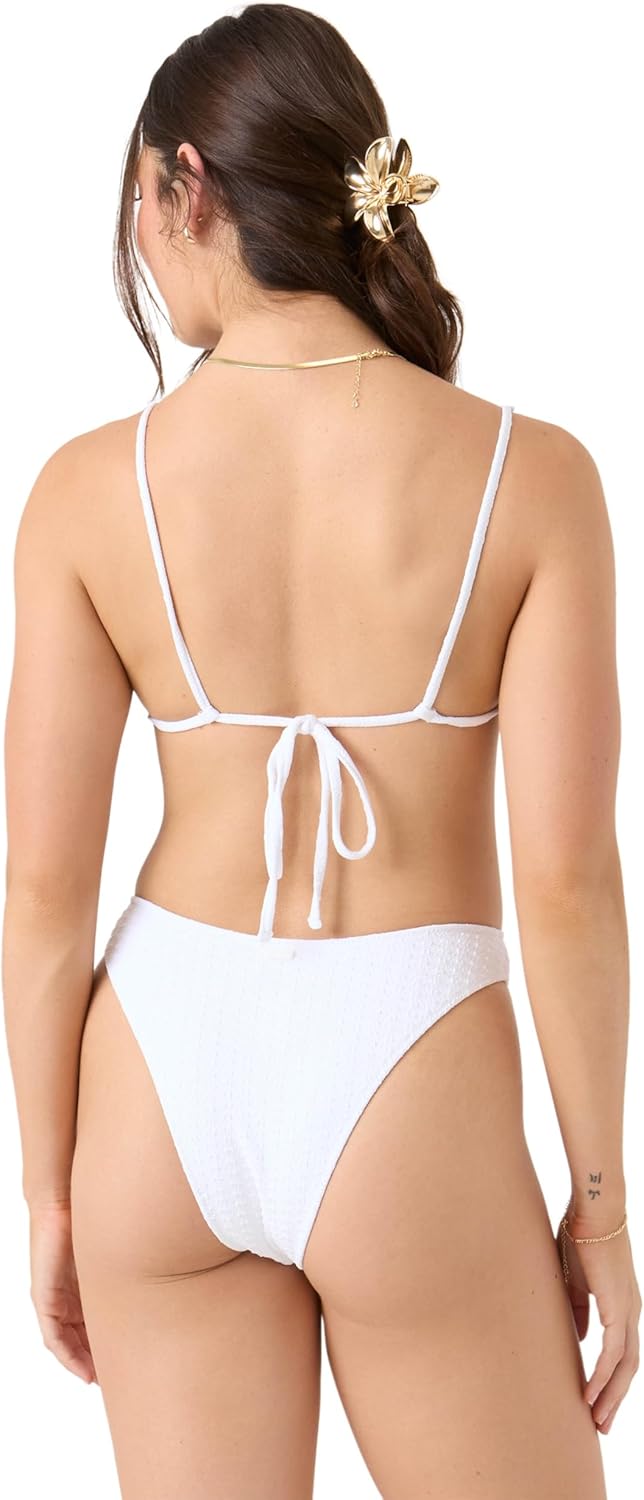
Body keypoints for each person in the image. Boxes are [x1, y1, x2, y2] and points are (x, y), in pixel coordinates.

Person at [2, 5, 640, 1497]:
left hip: (156, 1073)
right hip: (414, 1071)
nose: (141, 248)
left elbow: (40, 890)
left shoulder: (87, 492)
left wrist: (50, 1191)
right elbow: (563, 882)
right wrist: (601, 1203)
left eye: (137, 204)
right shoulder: (530, 477)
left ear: (187, 185)